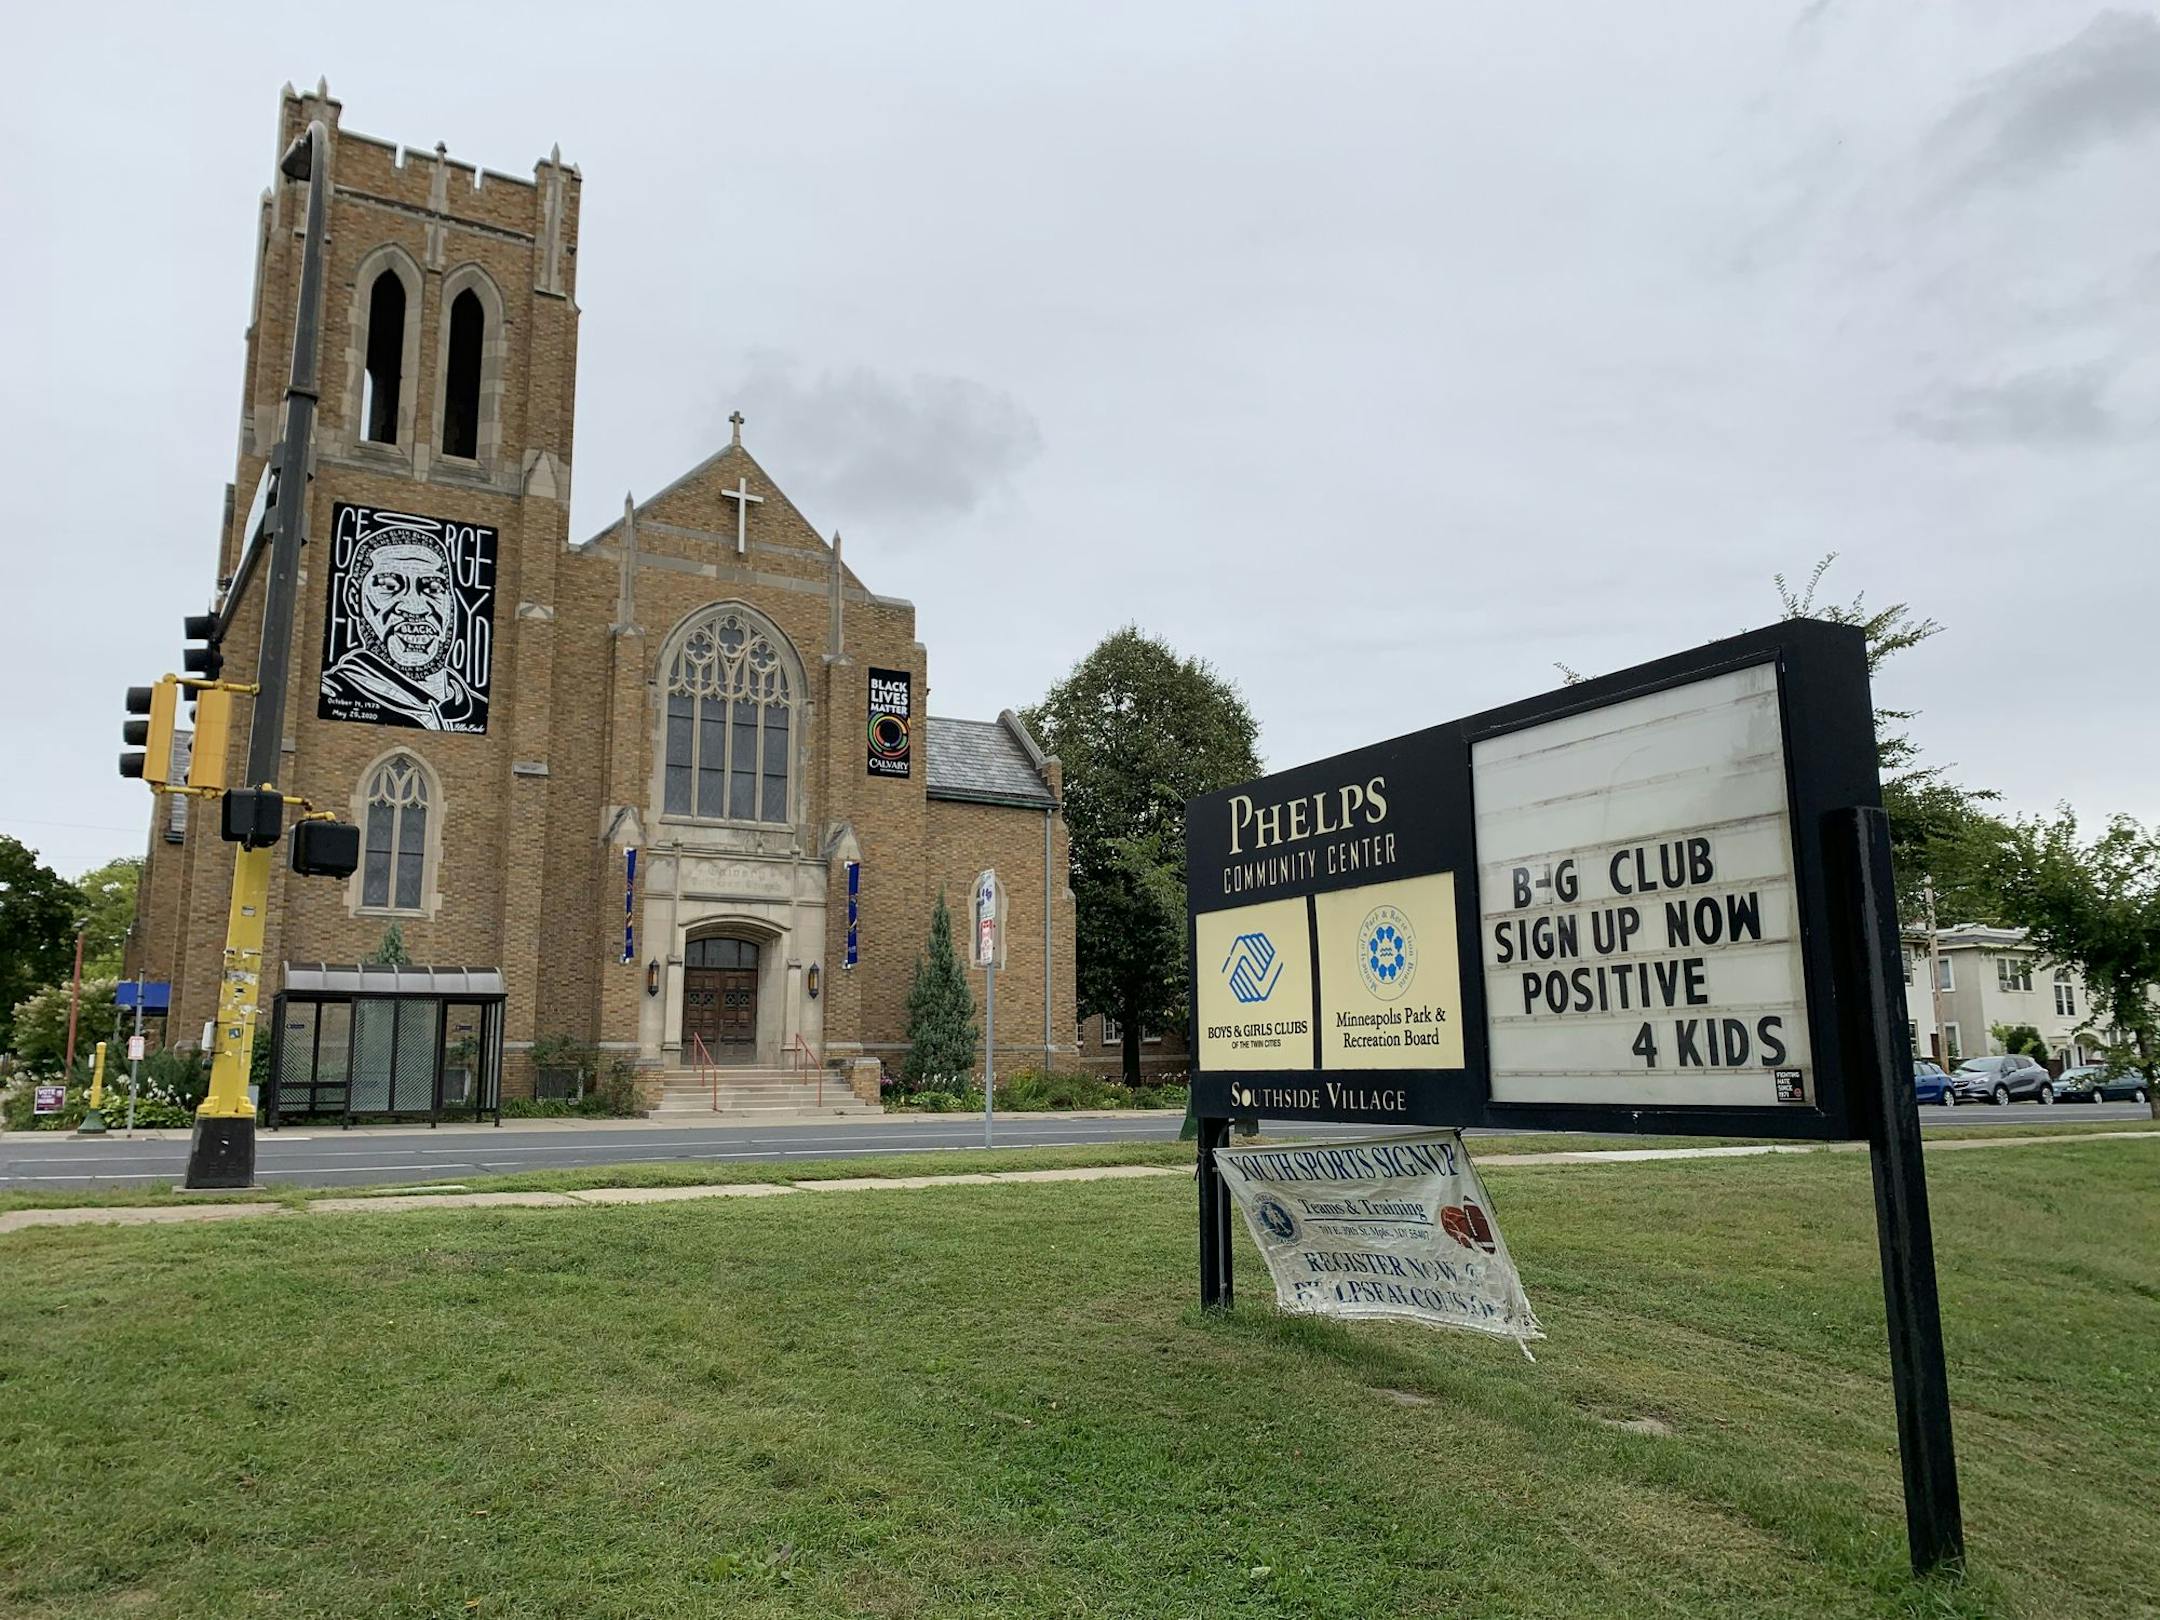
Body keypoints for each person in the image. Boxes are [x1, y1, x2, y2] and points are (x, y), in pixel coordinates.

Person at [319, 525, 483, 731]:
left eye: (433, 588)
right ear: (354, 598)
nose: (415, 608)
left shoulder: (478, 709)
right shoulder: (333, 693)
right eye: (389, 586)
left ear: (451, 601)